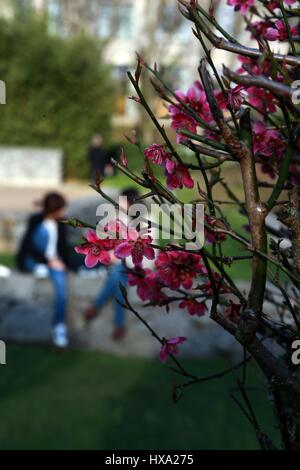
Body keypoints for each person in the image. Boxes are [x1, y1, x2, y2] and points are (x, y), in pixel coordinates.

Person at [84, 188, 139, 341]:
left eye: (121, 199)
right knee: (118, 277)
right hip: (119, 265)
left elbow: (145, 250)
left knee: (117, 274)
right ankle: (119, 325)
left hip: (137, 265)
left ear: (130, 202)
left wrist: (120, 256)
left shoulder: (144, 219)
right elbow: (108, 241)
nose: (117, 201)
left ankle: (96, 306)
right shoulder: (117, 218)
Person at [17, 192, 69, 349]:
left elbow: (62, 248)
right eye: (61, 209)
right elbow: (28, 247)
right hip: (38, 260)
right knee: (42, 231)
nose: (63, 213)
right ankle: (37, 268)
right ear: (54, 209)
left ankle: (59, 326)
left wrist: (59, 262)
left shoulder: (61, 224)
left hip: (52, 263)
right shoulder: (36, 221)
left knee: (61, 288)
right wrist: (49, 261)